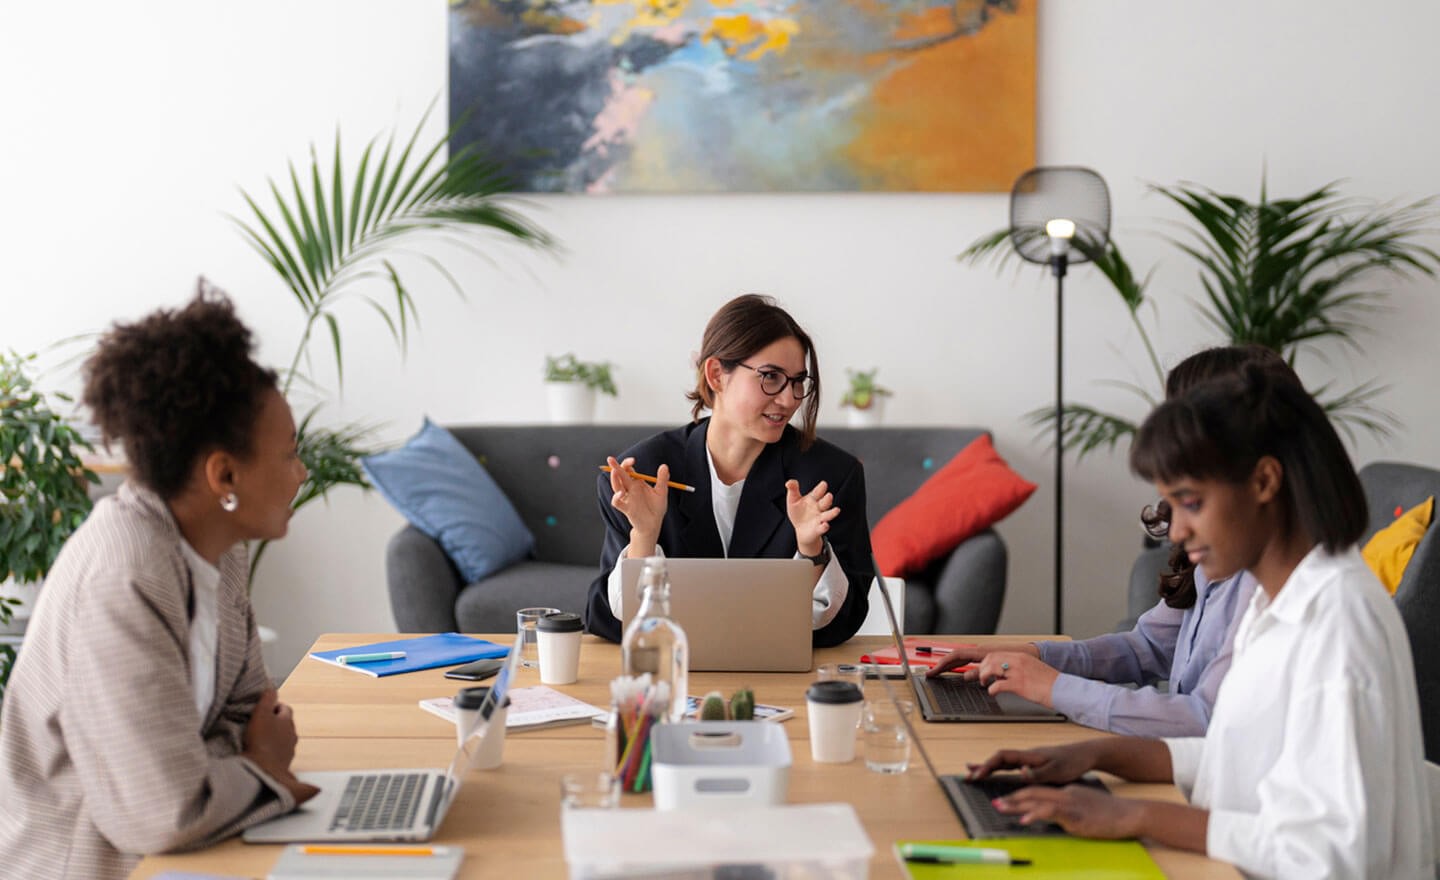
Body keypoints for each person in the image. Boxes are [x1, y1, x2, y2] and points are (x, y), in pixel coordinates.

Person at [969, 361, 1433, 878]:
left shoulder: (1336, 627)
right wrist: (1094, 755)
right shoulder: (1276, 602)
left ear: (1264, 480)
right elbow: (1233, 756)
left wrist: (1136, 813)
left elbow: (1327, 853)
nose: (1178, 531)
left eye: (1191, 503)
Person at [0, 285, 319, 879]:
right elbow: (162, 811)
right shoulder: (124, 577)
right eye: (289, 455)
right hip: (94, 866)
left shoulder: (214, 551)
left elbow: (255, 713)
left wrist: (228, 764)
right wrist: (260, 768)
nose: (301, 473)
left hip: (183, 854)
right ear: (224, 474)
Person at [928, 346, 1288, 737]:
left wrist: (1054, 687)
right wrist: (1032, 656)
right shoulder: (1222, 550)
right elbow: (1148, 646)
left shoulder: (1271, 582)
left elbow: (1206, 720)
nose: (1179, 530)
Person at [585, 293, 871, 646]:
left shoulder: (830, 477)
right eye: (771, 377)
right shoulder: (641, 474)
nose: (789, 399)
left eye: (797, 381)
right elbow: (606, 621)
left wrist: (811, 551)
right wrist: (644, 535)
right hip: (676, 675)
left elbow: (845, 622)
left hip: (787, 680)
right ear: (717, 374)